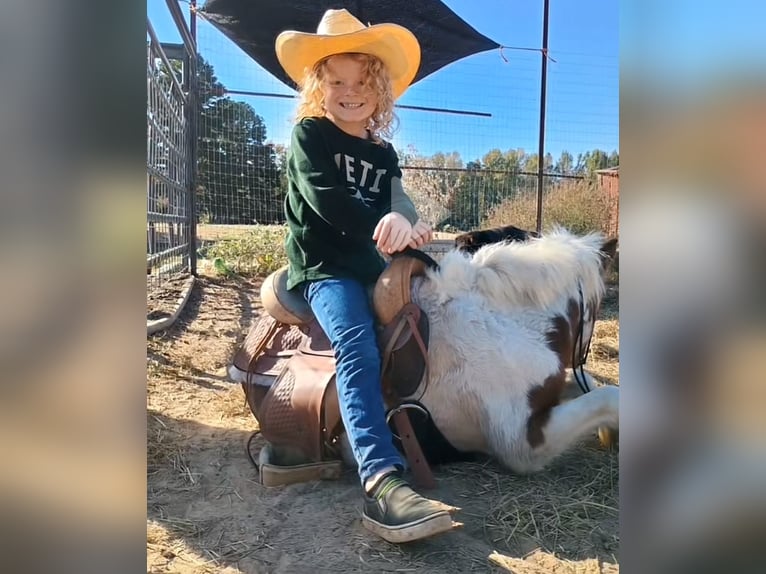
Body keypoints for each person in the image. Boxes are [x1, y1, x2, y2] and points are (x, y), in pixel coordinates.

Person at [274, 9, 457, 543]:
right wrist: (386, 225)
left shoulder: (384, 151)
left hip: (372, 267)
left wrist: (409, 222)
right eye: (337, 82)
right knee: (356, 341)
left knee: (427, 318)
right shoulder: (310, 135)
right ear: (318, 88)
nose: (349, 92)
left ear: (379, 91)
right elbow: (326, 202)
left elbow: (398, 199)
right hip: (326, 268)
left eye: (361, 82)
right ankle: (380, 480)